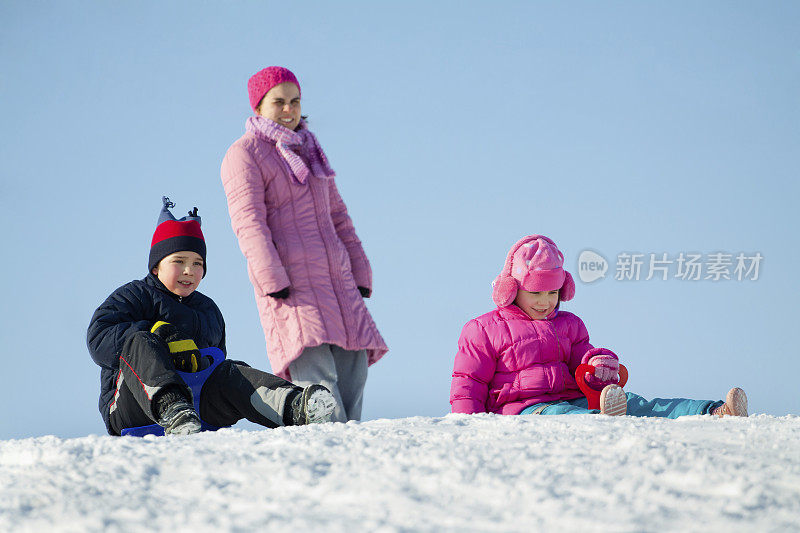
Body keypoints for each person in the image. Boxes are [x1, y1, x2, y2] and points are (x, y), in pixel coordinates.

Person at [220, 66, 388, 423]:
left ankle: (356, 454)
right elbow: (249, 222)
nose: (288, 109)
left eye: (295, 101)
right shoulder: (244, 153)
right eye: (278, 102)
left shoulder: (310, 149)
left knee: (354, 368)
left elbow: (338, 216)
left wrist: (360, 270)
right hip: (291, 285)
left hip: (337, 280)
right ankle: (328, 454)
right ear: (258, 106)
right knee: (318, 380)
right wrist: (272, 278)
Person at [87, 197, 337, 436]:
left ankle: (293, 405)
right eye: (179, 261)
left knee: (231, 371)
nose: (189, 270)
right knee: (140, 341)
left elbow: (217, 361)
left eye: (198, 263)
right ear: (156, 266)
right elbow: (98, 338)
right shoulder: (135, 295)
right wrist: (157, 332)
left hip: (198, 406)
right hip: (134, 406)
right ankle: (171, 407)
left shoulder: (208, 310)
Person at [449, 234, 748, 418]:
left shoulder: (569, 324)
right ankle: (604, 420)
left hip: (576, 398)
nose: (545, 302)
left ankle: (713, 411)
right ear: (512, 289)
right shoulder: (484, 328)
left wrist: (597, 364)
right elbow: (467, 384)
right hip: (526, 409)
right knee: (564, 416)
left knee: (637, 403)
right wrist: (467, 428)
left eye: (552, 293)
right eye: (536, 293)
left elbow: (583, 361)